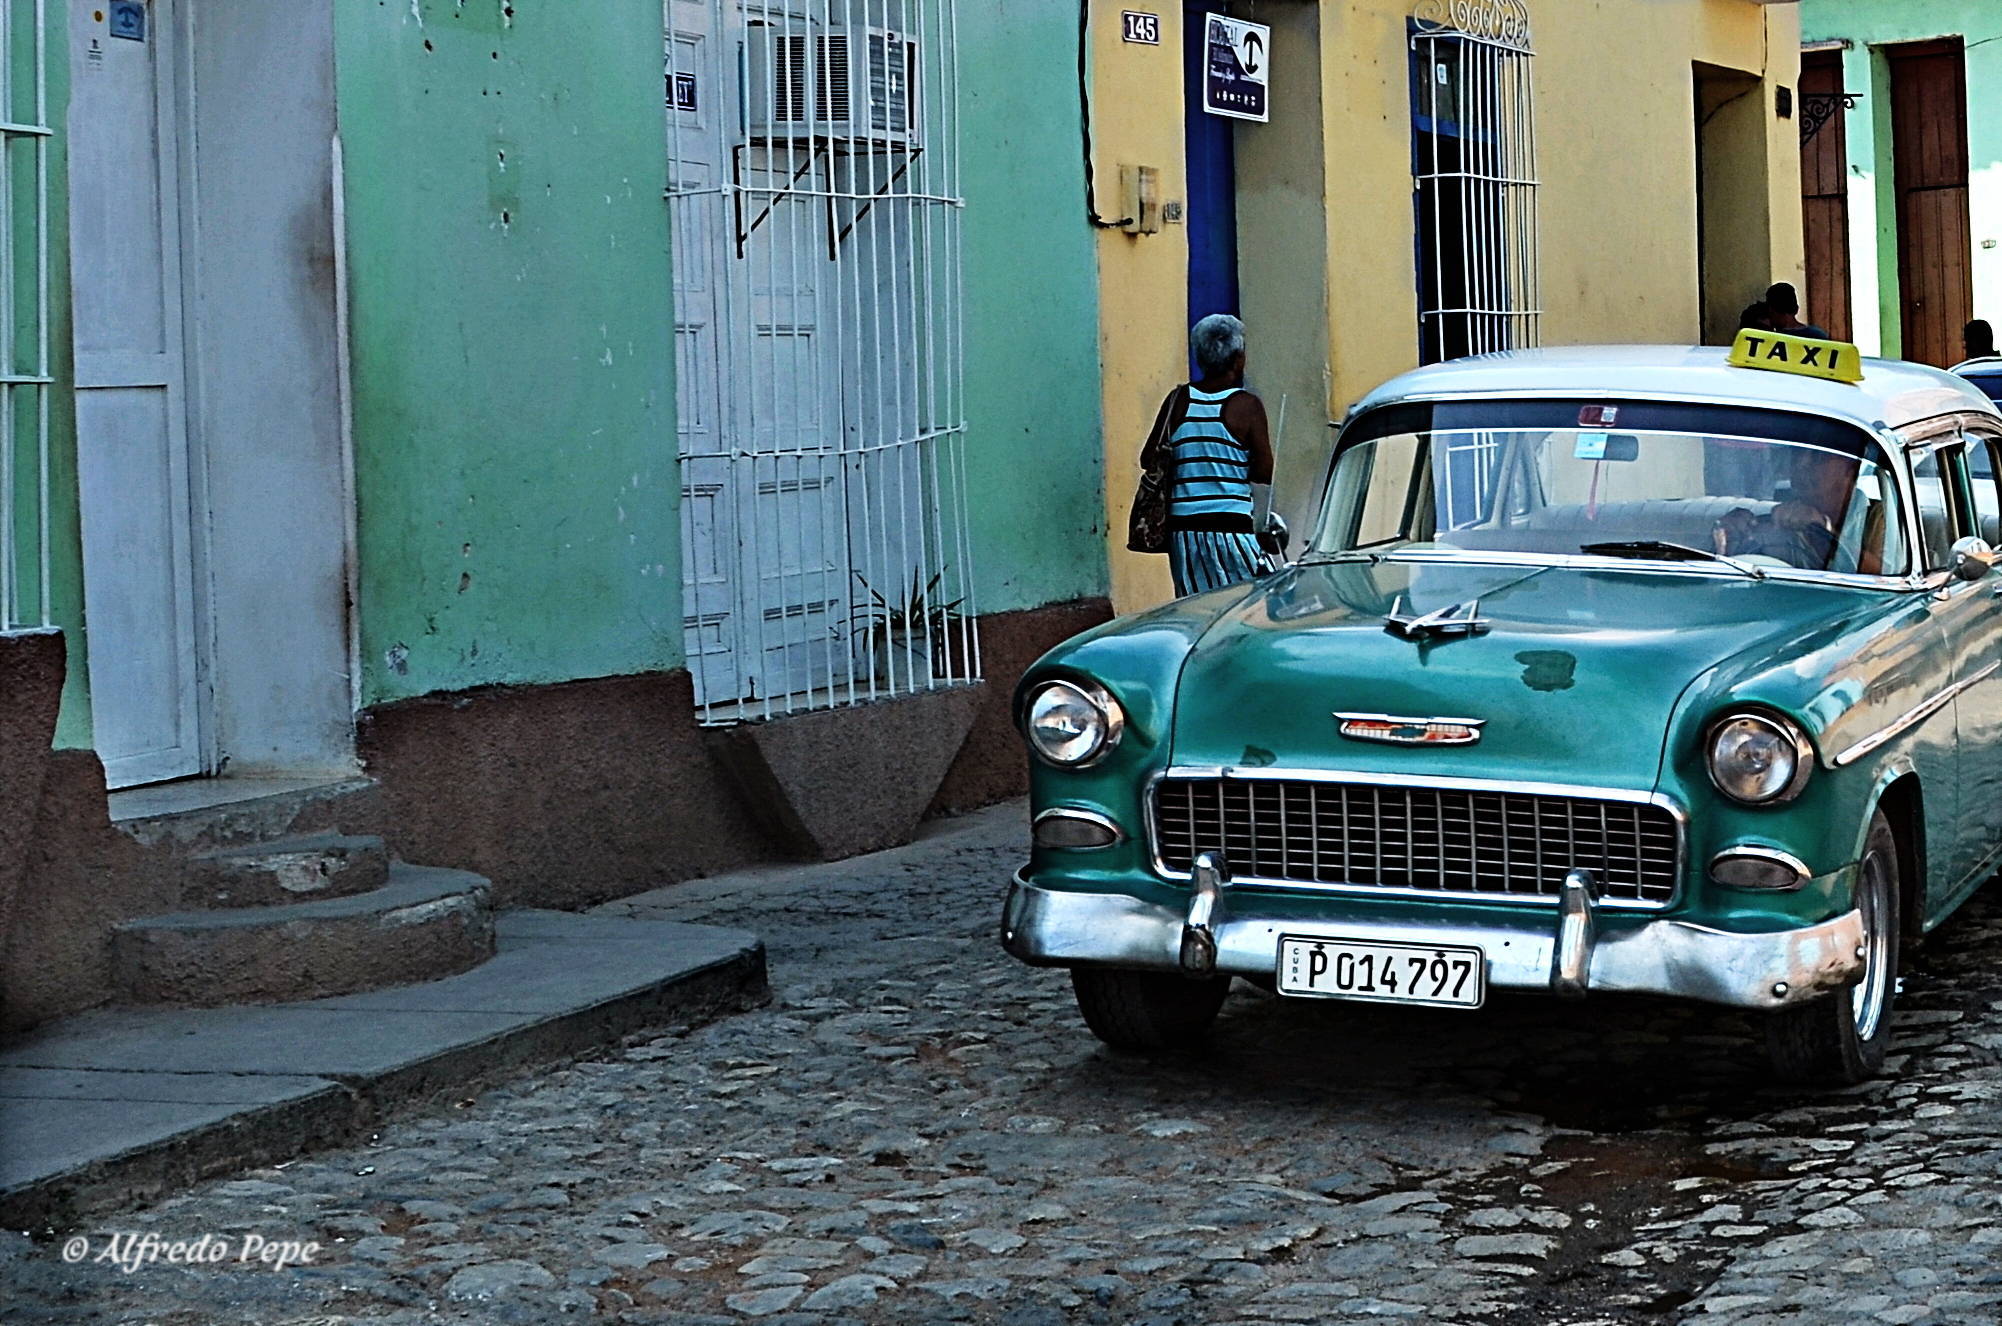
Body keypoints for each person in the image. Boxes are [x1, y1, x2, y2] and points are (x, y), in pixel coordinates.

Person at [1145, 314, 1275, 595]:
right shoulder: (1247, 405)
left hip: (1183, 531)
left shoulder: (1176, 401)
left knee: (1196, 605)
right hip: (1232, 525)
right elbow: (1265, 472)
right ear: (1238, 358)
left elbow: (1149, 459)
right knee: (1251, 602)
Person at [1714, 445, 1884, 574]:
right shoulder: (1777, 520)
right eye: (1796, 455)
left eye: (1818, 457)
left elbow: (1883, 577)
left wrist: (1822, 531)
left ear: (1851, 469)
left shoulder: (1883, 517)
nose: (1801, 465)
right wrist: (1732, 536)